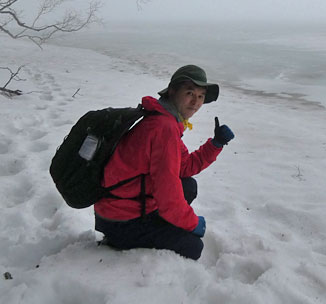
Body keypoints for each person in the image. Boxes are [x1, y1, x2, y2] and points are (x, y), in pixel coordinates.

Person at [94, 65, 235, 260]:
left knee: (188, 186)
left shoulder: (164, 119)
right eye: (190, 93)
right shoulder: (164, 128)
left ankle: (158, 227)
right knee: (193, 247)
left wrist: (215, 144)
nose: (195, 102)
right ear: (172, 91)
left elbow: (184, 167)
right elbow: (168, 194)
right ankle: (126, 247)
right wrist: (192, 223)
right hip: (121, 220)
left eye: (201, 96)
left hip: (116, 208)